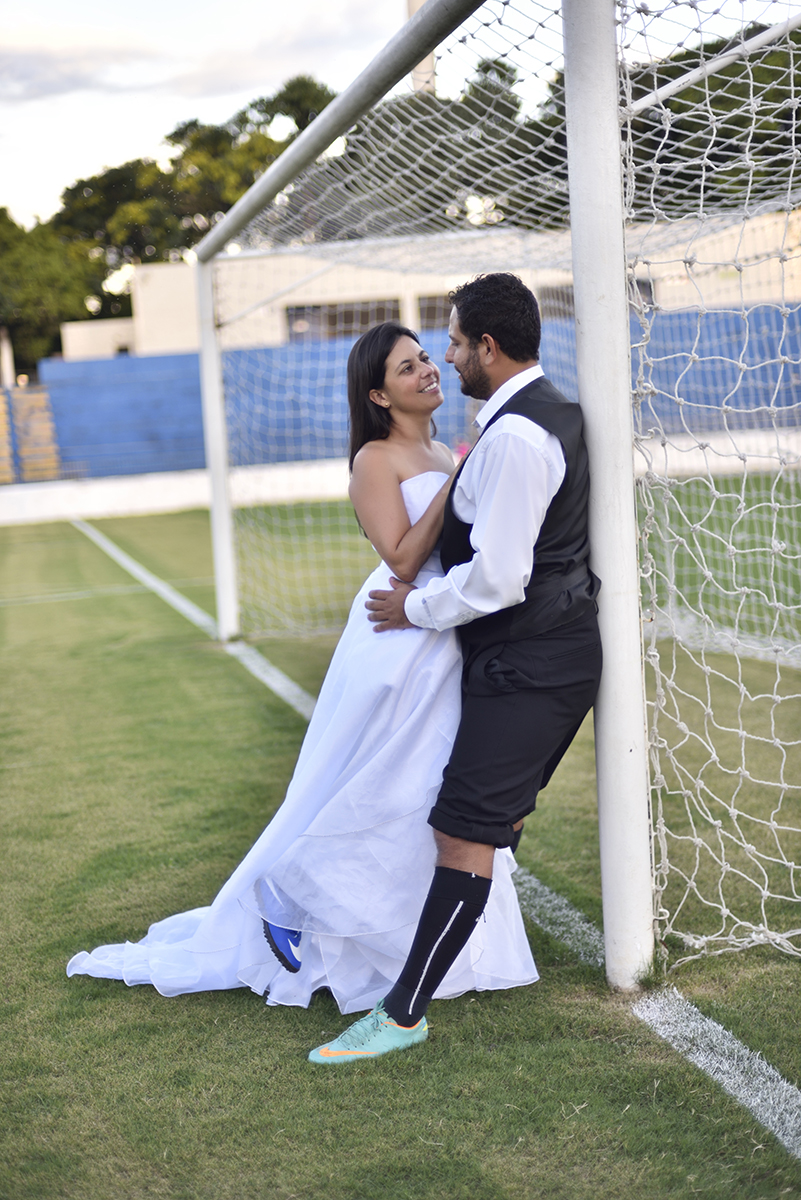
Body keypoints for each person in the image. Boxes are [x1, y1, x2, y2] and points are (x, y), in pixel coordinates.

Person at [66, 321, 538, 1014]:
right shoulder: (374, 460)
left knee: (425, 790)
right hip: (396, 638)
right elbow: (402, 558)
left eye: (426, 360)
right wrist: (460, 475)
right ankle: (293, 892)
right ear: (378, 394)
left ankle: (401, 936)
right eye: (407, 369)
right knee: (378, 782)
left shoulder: (441, 447)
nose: (427, 372)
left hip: (444, 632)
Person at [308, 274, 602, 1063]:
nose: (444, 358)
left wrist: (414, 611)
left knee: (463, 828)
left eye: (450, 342)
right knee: (474, 821)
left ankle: (401, 1012)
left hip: (530, 657)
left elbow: (500, 577)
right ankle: (411, 974)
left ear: (487, 348)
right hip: (532, 653)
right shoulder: (539, 416)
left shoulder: (509, 438)